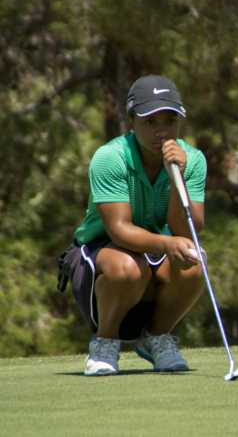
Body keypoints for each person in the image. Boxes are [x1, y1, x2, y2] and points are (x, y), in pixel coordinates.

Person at [59, 75, 206, 376]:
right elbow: (119, 230)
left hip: (154, 252)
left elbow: (188, 230)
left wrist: (176, 172)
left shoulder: (192, 159)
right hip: (99, 252)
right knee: (128, 266)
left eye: (170, 121)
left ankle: (156, 338)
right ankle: (105, 342)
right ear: (131, 121)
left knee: (193, 262)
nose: (162, 131)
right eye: (150, 122)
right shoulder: (110, 157)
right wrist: (167, 244)